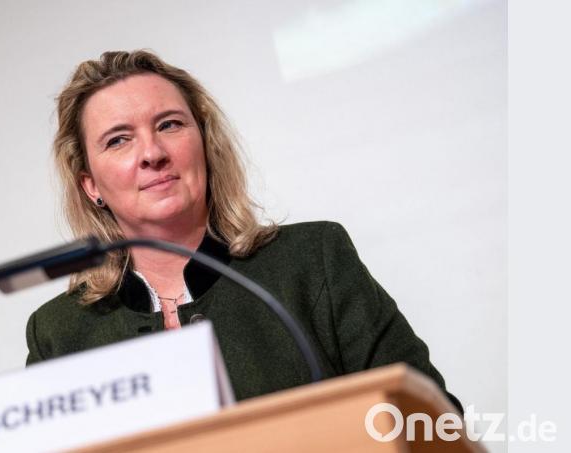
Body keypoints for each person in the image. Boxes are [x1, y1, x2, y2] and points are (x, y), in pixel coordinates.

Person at [26, 50, 462, 410]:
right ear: (91, 185)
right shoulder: (59, 333)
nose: (153, 153)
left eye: (170, 125)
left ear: (204, 143)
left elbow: (431, 422)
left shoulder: (314, 260)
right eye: (118, 139)